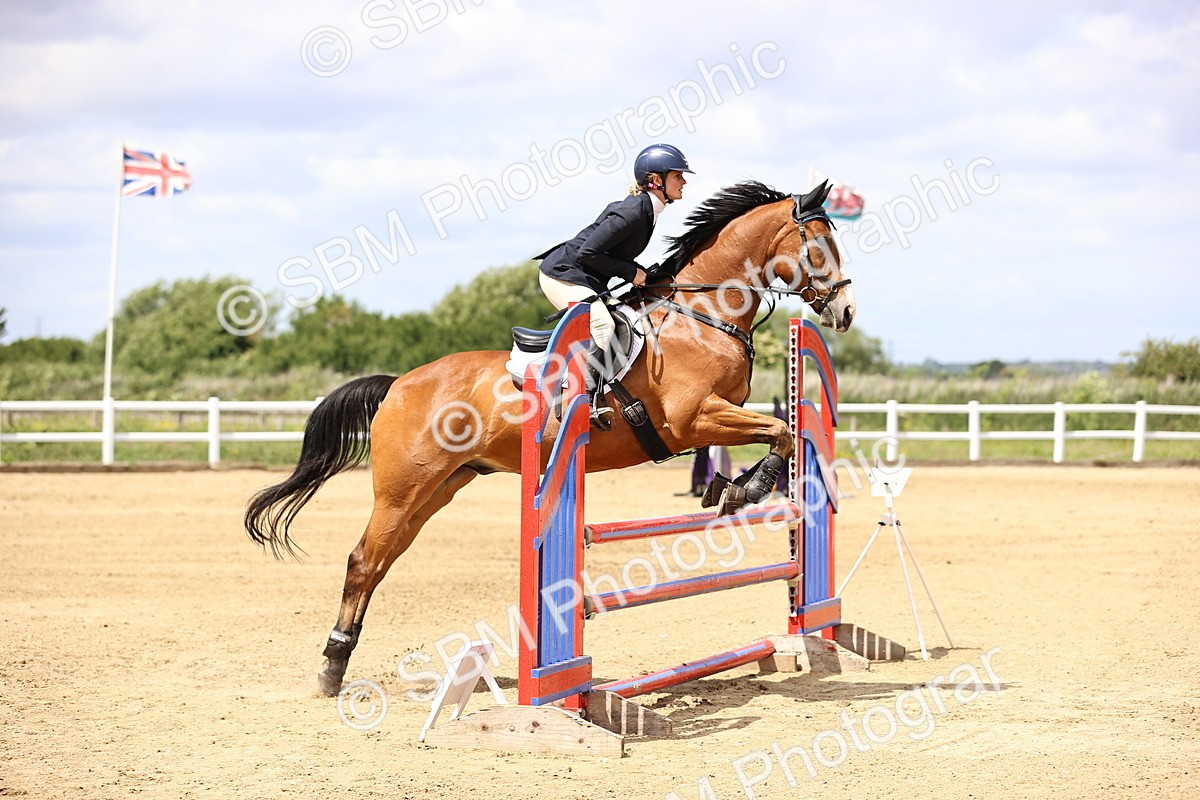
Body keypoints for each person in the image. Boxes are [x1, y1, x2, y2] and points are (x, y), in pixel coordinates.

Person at [533, 143, 693, 427]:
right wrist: (630, 272)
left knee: (624, 320)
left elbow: (608, 254)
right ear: (656, 180)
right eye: (678, 175)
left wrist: (638, 272)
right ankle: (582, 402)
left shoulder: (647, 210)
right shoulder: (633, 212)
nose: (684, 181)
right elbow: (588, 254)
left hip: (585, 276)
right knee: (603, 326)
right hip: (561, 274)